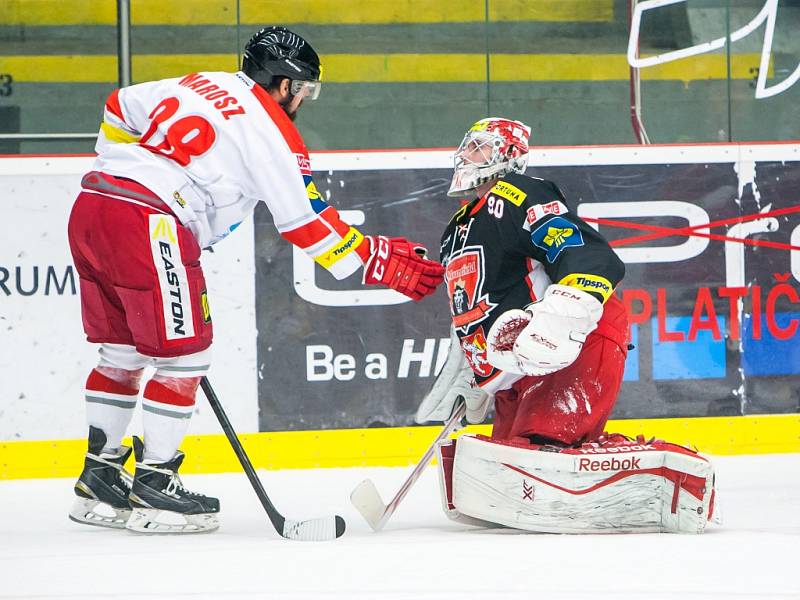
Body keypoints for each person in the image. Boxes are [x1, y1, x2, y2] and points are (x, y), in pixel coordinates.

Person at [67, 26, 445, 534]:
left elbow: (119, 106)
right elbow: (306, 224)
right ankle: (155, 487)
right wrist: (376, 259)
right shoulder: (272, 131)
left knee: (123, 352)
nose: (302, 101)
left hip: (93, 205)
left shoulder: (198, 83)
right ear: (287, 84)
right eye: (304, 90)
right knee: (183, 357)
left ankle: (101, 479)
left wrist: (125, 164)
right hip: (151, 221)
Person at [416, 118, 716, 533]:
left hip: (563, 341)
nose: (468, 156)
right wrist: (474, 372)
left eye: (481, 148)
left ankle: (662, 474)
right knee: (508, 455)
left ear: (509, 156)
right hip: (517, 365)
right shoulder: (458, 226)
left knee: (541, 445)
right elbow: (476, 302)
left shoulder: (518, 193)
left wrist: (569, 307)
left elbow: (582, 251)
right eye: (468, 146)